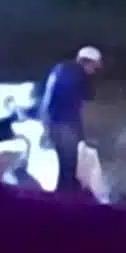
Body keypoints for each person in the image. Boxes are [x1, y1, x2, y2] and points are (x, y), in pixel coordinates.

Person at [39, 45, 102, 193]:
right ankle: (66, 201)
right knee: (69, 166)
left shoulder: (60, 69)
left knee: (64, 164)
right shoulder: (78, 73)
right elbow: (88, 96)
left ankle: (62, 195)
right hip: (65, 124)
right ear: (89, 62)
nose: (93, 72)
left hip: (52, 121)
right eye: (94, 67)